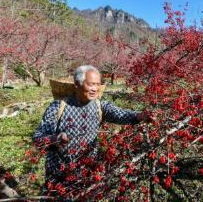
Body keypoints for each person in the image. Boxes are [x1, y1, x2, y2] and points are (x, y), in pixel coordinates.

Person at [33, 65, 151, 196]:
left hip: (87, 173)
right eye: (91, 84)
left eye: (97, 84)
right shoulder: (58, 107)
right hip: (58, 174)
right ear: (77, 84)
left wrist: (140, 116)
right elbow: (38, 138)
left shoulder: (99, 106)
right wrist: (55, 139)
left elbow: (121, 114)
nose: (95, 89)